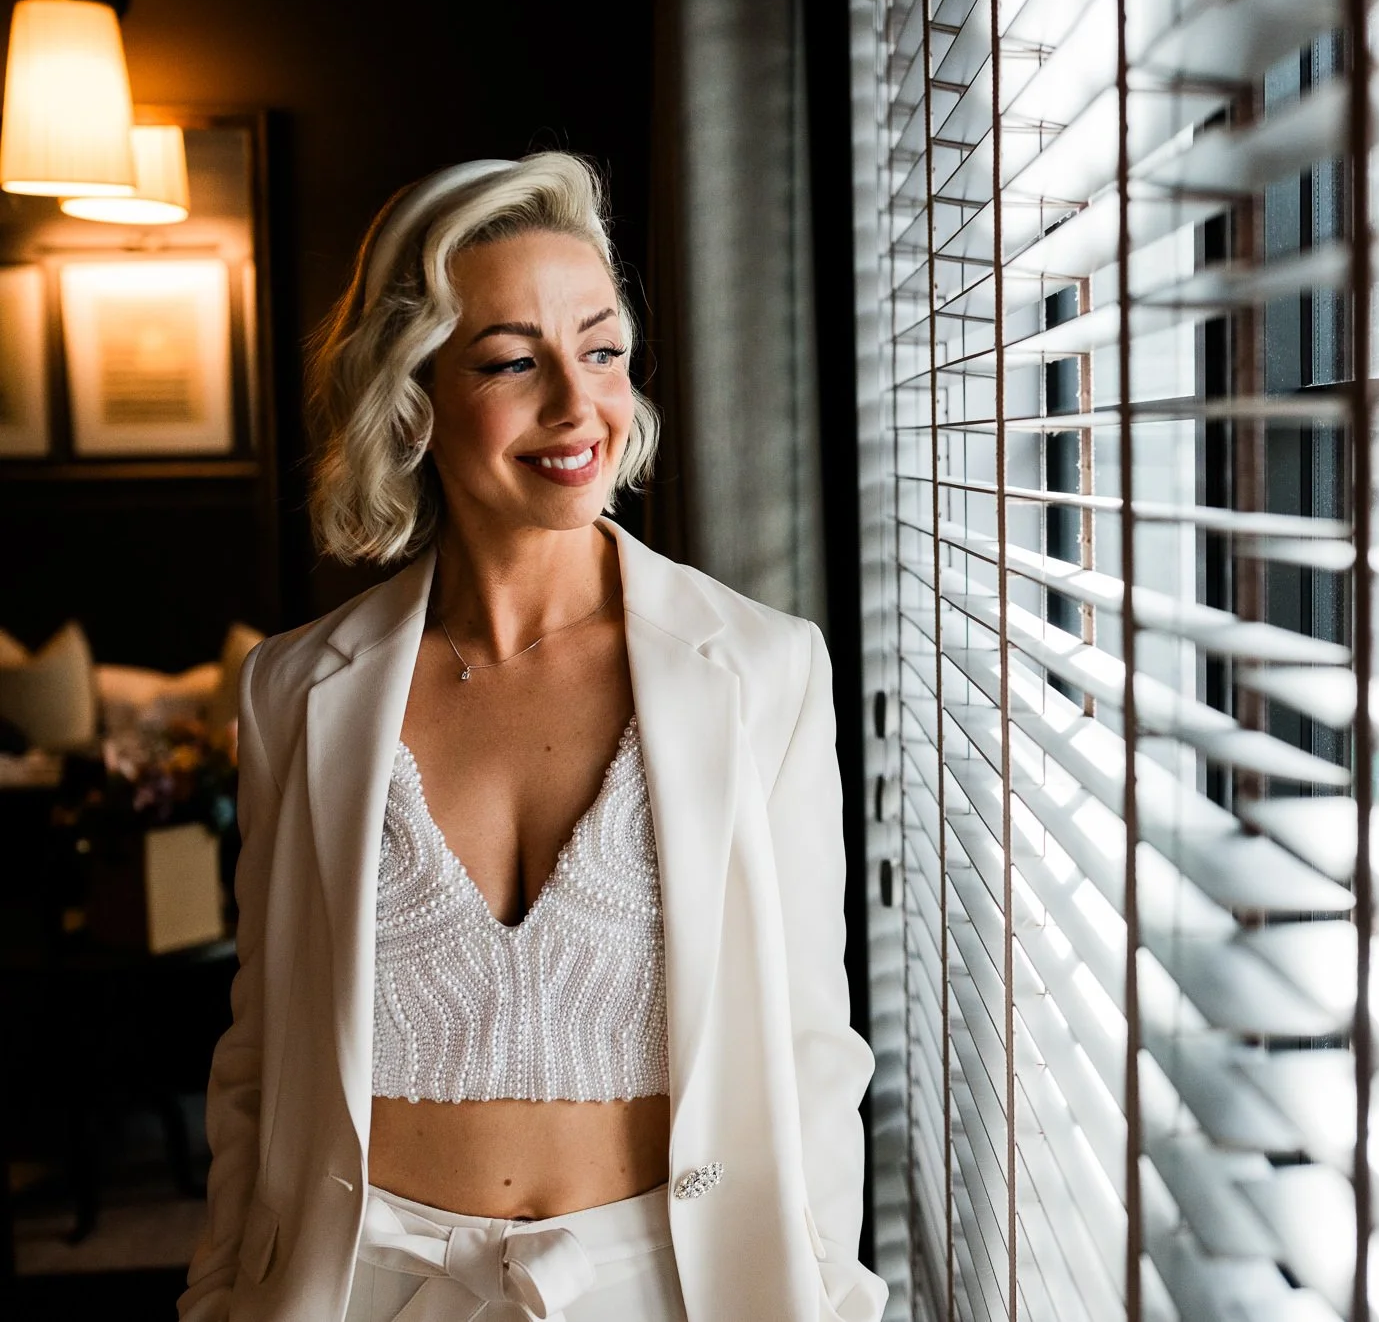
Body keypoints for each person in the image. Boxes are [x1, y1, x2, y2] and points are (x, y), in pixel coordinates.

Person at [177, 153, 887, 1322]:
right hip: (363, 1286)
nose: (577, 404)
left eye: (600, 351)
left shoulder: (762, 671)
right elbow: (259, 1055)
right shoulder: (295, 692)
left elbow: (814, 1047)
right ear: (413, 399)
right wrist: (214, 1296)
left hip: (666, 1285)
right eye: (512, 361)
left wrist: (837, 1299)